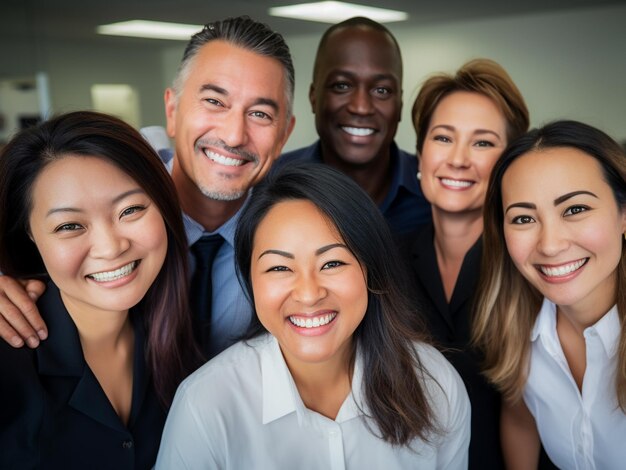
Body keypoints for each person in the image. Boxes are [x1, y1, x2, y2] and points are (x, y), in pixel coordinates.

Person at [0, 16, 295, 359]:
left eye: (260, 114)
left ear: (284, 134)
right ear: (172, 109)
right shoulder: (103, 192)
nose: (233, 135)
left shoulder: (291, 236)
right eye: (214, 102)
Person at [155, 164, 470, 469]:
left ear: (370, 268)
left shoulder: (435, 383)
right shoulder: (205, 405)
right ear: (250, 280)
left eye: (332, 263)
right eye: (279, 268)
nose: (308, 293)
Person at [0, 111, 201, 469]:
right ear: (30, 234)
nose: (111, 247)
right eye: (70, 226)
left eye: (131, 209)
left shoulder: (180, 335)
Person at [473, 120, 626, 470]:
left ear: (623, 215)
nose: (551, 244)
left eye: (575, 209)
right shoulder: (517, 331)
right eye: (524, 219)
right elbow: (521, 420)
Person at [404, 58, 529, 469]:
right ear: (420, 154)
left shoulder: (533, 267)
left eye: (482, 143)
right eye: (443, 138)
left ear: (509, 161)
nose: (458, 159)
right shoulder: (384, 262)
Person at [275, 16, 430, 236]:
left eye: (382, 90)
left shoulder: (434, 194)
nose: (361, 107)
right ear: (313, 97)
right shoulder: (268, 185)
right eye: (342, 86)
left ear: (400, 104)